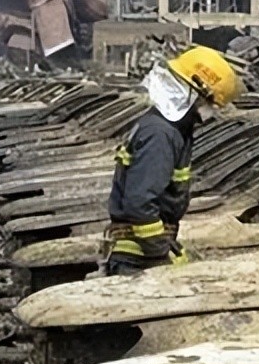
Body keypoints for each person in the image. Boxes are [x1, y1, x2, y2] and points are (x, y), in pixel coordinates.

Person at [101, 45, 241, 276]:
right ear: (196, 95)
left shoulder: (171, 130)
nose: (212, 112)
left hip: (141, 253)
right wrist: (161, 252)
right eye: (211, 104)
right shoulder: (161, 134)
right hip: (138, 259)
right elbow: (140, 204)